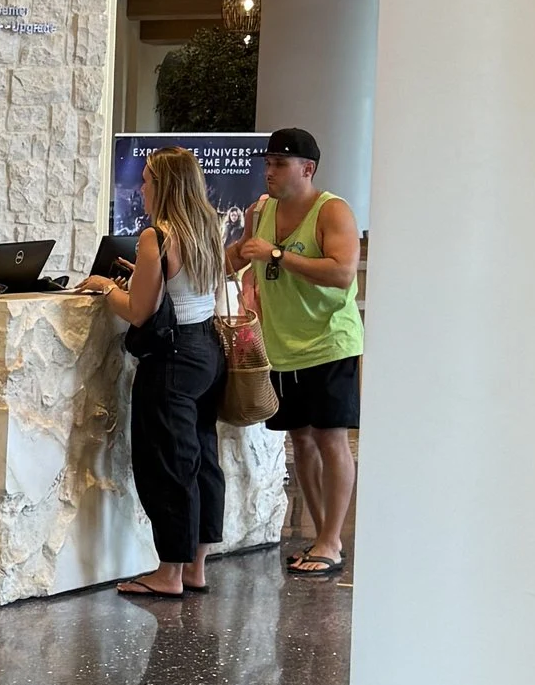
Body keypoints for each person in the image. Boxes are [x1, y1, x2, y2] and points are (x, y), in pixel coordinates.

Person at [80, 142, 229, 601]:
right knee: (201, 459)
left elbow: (140, 312)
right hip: (208, 352)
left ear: (161, 185)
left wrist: (106, 287)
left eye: (145, 179)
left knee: (168, 465)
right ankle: (196, 566)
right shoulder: (208, 226)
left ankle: (168, 572)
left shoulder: (157, 236)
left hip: (171, 361)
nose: (140, 187)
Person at [230, 124, 363, 579]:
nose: (269, 171)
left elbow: (343, 273)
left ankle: (333, 540)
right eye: (267, 163)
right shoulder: (262, 211)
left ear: (307, 169)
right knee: (300, 439)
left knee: (331, 438)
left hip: (329, 341)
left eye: (279, 164)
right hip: (283, 345)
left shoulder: (333, 212)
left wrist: (278, 256)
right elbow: (241, 256)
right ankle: (317, 534)